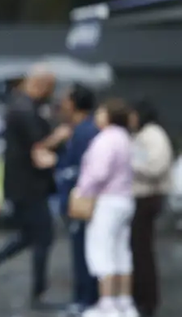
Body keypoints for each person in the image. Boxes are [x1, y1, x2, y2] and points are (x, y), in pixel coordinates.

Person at [0, 65, 71, 310]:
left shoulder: (24, 107)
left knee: (30, 235)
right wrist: (59, 136)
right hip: (28, 185)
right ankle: (38, 293)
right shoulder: (24, 109)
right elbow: (38, 147)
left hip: (25, 184)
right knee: (42, 236)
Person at [74, 99, 136, 317]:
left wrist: (82, 190)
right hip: (125, 199)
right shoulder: (125, 138)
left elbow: (98, 172)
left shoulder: (105, 139)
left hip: (106, 201)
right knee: (122, 252)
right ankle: (125, 302)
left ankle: (107, 304)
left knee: (102, 251)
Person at [56, 84, 101, 316]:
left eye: (65, 100)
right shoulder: (79, 129)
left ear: (73, 103)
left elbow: (82, 169)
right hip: (76, 199)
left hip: (80, 201)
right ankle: (84, 298)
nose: (61, 104)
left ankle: (85, 299)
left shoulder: (85, 131)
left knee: (83, 251)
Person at [128, 99, 173, 317]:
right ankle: (141, 297)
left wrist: (129, 164)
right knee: (138, 250)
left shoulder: (153, 134)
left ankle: (147, 300)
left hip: (147, 196)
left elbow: (156, 165)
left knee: (142, 250)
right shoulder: (143, 134)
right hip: (142, 196)